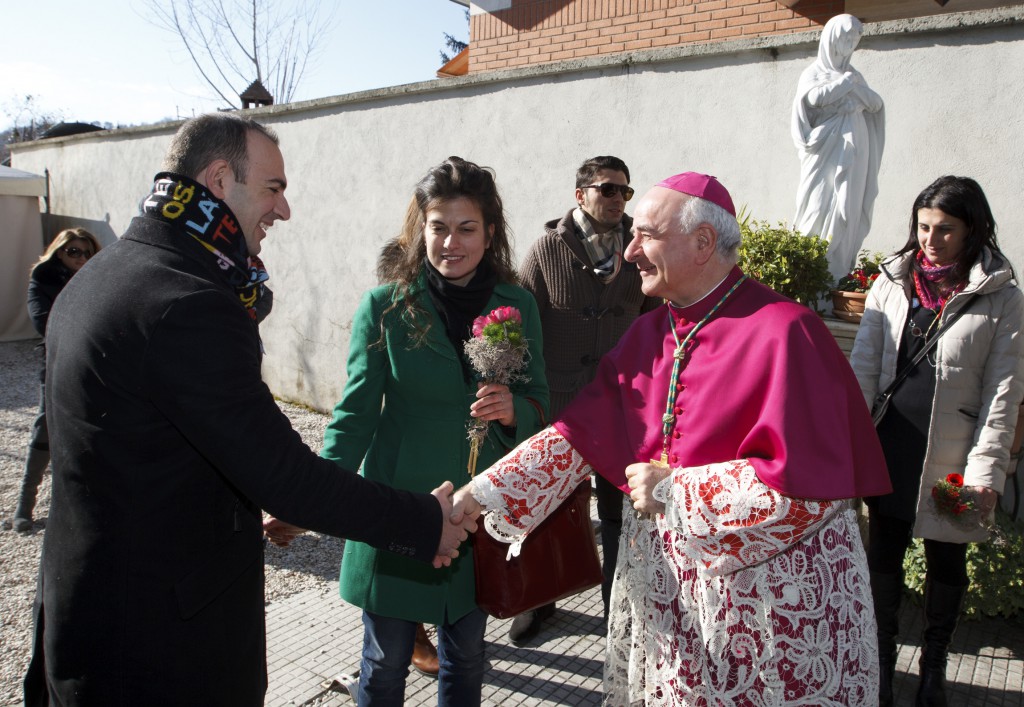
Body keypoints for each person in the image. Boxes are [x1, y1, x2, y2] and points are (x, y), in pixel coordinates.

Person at [23, 114, 477, 707]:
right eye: (273, 188)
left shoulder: (105, 272)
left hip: (84, 613)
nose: (283, 210)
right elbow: (283, 476)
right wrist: (423, 522)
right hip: (159, 647)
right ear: (218, 180)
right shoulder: (186, 303)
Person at [451, 172, 894, 705]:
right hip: (672, 602)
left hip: (765, 609)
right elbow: (578, 438)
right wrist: (476, 498)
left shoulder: (786, 331)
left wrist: (673, 490)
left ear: (703, 243)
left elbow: (811, 493)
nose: (630, 251)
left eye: (647, 236)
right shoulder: (648, 332)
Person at [319, 156, 548, 706]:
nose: (451, 242)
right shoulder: (386, 307)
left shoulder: (516, 304)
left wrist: (515, 410)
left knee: (467, 658)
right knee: (384, 661)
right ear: (420, 230)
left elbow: (542, 403)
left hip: (476, 515)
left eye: (466, 228)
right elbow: (355, 412)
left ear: (490, 232)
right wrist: (315, 488)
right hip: (400, 509)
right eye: (438, 227)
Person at [850, 176, 1024, 707]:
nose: (931, 239)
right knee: (883, 554)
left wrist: (985, 474)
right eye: (923, 227)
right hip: (891, 446)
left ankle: (934, 669)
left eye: (945, 229)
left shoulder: (1001, 296)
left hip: (954, 456)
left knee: (947, 562)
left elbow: (1004, 394)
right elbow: (862, 369)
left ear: (973, 229)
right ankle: (879, 666)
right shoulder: (891, 282)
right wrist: (849, 446)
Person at [511, 155, 660, 644]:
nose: (618, 199)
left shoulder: (642, 249)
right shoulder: (545, 250)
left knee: (620, 511)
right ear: (581, 195)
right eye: (607, 189)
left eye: (625, 191)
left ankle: (618, 611)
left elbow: (659, 322)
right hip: (562, 403)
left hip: (623, 407)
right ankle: (539, 601)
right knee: (548, 506)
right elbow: (519, 326)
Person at [11, 228, 102, 533]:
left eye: (86, 252)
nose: (81, 258)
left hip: (97, 363)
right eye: (74, 251)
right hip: (59, 362)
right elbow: (43, 320)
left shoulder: (99, 278)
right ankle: (23, 507)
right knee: (44, 431)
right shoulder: (44, 278)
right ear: (59, 251)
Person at [792, 13, 885, 281]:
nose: (851, 44)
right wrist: (847, 86)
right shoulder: (814, 73)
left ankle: (837, 274)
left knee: (848, 210)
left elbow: (876, 104)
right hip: (825, 154)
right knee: (817, 207)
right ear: (832, 39)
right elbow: (814, 98)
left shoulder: (855, 76)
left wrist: (851, 90)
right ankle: (810, 279)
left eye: (856, 39)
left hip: (854, 153)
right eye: (847, 38)